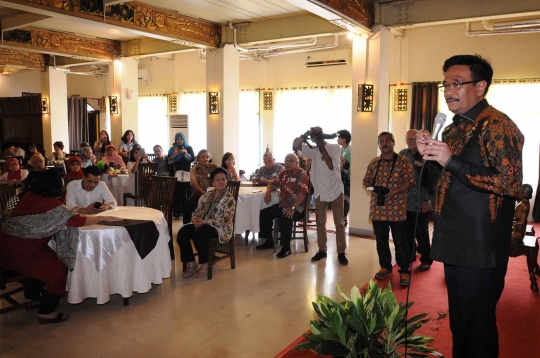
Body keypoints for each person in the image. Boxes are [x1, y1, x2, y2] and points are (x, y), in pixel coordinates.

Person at [416, 55, 524, 358]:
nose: (449, 90)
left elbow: (510, 184)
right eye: (445, 84)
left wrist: (451, 160)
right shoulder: (455, 129)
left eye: (456, 83)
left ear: (480, 86)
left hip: (481, 242)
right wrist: (433, 158)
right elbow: (449, 182)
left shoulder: (498, 125)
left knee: (478, 324)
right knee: (461, 320)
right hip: (454, 236)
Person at [0, 170, 120, 324]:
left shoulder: (29, 196)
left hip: (7, 244)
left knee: (51, 255)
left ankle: (33, 293)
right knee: (57, 268)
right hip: (22, 250)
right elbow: (76, 220)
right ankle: (47, 311)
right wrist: (102, 217)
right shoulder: (51, 204)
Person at [362, 132, 415, 286]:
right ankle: (385, 267)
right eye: (381, 141)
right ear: (379, 144)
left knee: (400, 241)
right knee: (381, 241)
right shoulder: (374, 163)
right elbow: (366, 181)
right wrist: (373, 189)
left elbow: (411, 182)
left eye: (387, 140)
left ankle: (404, 270)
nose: (384, 143)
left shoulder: (403, 162)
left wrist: (393, 192)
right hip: (378, 210)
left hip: (397, 209)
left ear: (393, 142)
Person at [293, 127, 348, 266]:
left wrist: (321, 144)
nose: (314, 139)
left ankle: (341, 252)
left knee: (339, 223)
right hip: (319, 190)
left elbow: (330, 165)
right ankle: (322, 250)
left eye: (316, 136)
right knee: (320, 222)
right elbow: (297, 145)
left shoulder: (335, 147)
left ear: (322, 136)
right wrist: (305, 134)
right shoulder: (313, 150)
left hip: (336, 190)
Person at [177, 167, 236, 278]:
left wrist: (206, 221)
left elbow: (227, 218)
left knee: (200, 234)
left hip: (220, 227)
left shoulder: (229, 198)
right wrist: (194, 219)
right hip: (203, 222)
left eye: (223, 179)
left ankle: (205, 263)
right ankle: (191, 262)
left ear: (226, 181)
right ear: (213, 182)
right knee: (183, 232)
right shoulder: (208, 195)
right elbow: (198, 210)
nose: (221, 182)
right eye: (217, 180)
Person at [257, 154, 309, 258]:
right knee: (264, 213)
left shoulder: (301, 174)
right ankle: (269, 241)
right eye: (286, 160)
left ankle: (286, 247)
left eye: (291, 161)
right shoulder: (283, 174)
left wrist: (292, 208)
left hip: (297, 207)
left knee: (285, 217)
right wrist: (268, 192)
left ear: (297, 163)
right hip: (283, 205)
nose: (288, 163)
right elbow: (272, 184)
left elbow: (302, 193)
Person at [399, 129, 433, 271]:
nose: (410, 141)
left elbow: (431, 179)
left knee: (421, 231)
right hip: (404, 201)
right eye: (408, 139)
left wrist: (427, 200)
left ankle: (426, 259)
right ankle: (410, 255)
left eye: (413, 138)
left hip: (420, 200)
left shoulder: (426, 155)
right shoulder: (402, 154)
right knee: (406, 231)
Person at [183, 149, 218, 224]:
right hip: (199, 193)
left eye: (207, 157)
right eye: (203, 157)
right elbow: (195, 184)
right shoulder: (193, 170)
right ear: (198, 158)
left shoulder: (214, 167)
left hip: (213, 194)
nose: (206, 159)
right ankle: (186, 226)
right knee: (188, 203)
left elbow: (220, 177)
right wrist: (203, 192)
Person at [167, 132, 195, 218]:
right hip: (176, 175)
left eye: (181, 139)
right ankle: (177, 212)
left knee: (188, 193)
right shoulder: (172, 150)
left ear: (184, 140)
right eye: (177, 139)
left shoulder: (188, 148)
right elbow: (168, 162)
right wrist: (174, 156)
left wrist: (185, 153)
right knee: (177, 193)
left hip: (187, 174)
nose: (179, 141)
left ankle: (189, 211)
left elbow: (192, 159)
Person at [337, 130, 351, 226]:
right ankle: (340, 217)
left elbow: (348, 165)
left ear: (344, 139)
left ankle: (344, 217)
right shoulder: (342, 149)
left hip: (348, 177)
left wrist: (340, 158)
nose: (337, 140)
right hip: (341, 175)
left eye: (339, 138)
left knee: (346, 198)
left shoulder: (350, 149)